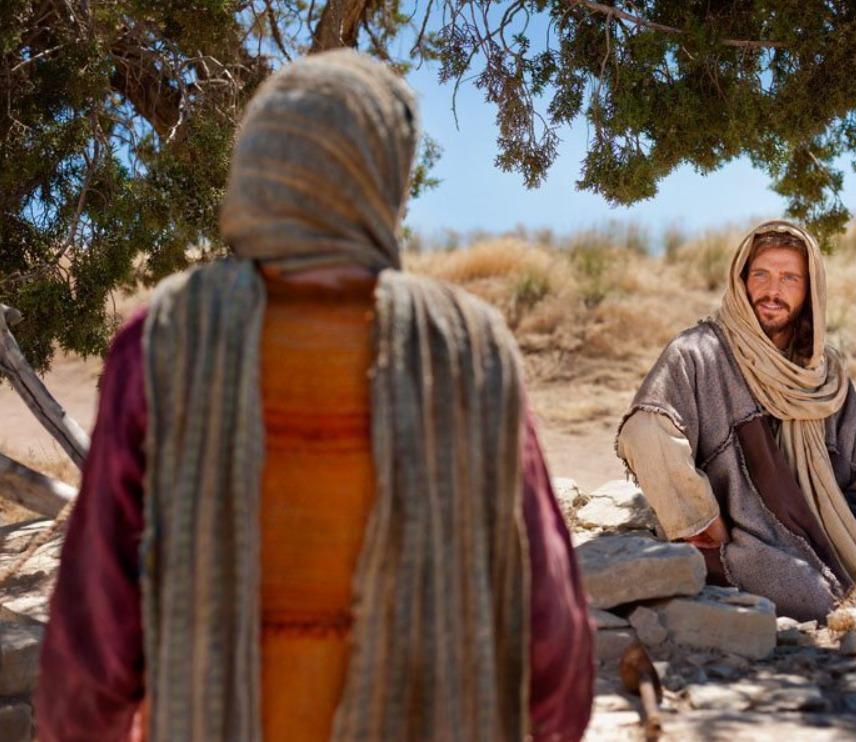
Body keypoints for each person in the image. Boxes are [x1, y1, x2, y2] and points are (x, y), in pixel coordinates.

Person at [35, 50, 594, 741]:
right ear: (383, 176)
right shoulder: (468, 346)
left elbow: (95, 629)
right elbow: (551, 631)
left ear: (259, 170)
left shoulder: (168, 336)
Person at [616, 220, 856, 622]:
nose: (773, 291)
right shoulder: (699, 353)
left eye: (790, 278)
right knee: (810, 594)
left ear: (809, 292)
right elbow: (645, 430)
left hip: (831, 525)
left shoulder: (820, 372)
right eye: (762, 275)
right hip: (751, 537)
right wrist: (701, 520)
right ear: (741, 280)